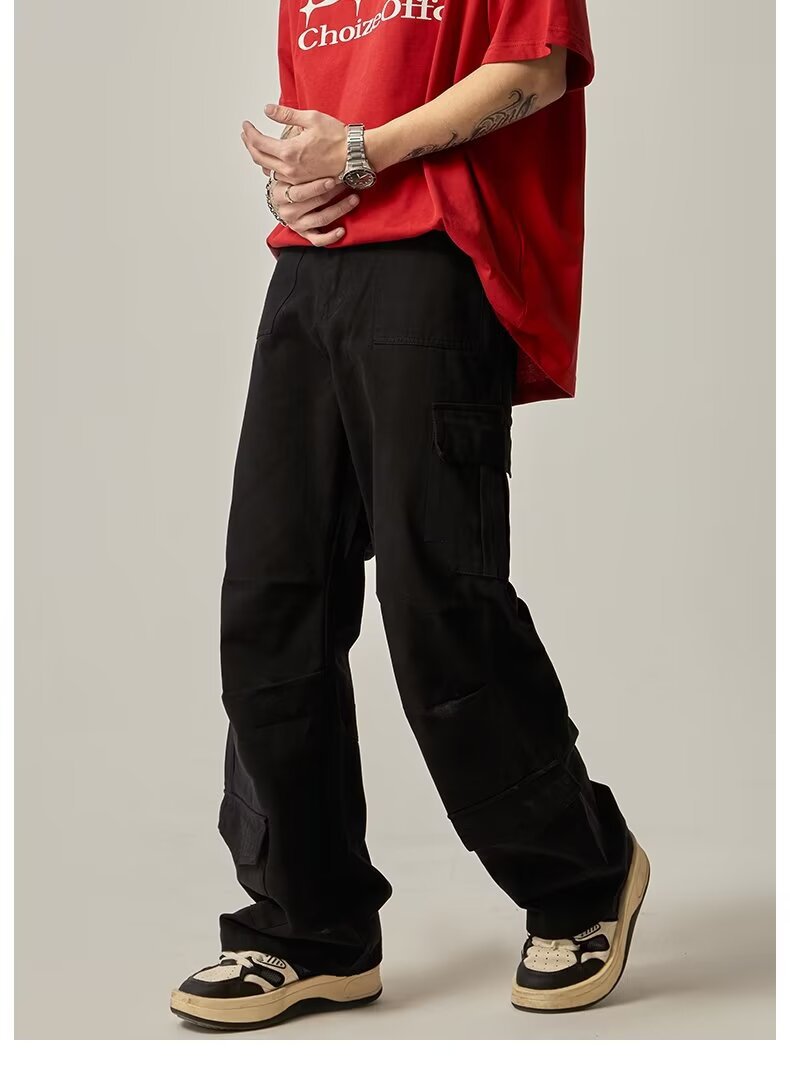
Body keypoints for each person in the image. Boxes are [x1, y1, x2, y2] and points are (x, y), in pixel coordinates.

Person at [170, 0, 649, 1031]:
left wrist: (360, 151)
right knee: (271, 603)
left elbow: (537, 71)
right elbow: (324, 117)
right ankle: (310, 928)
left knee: (438, 601)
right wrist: (296, 181)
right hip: (311, 274)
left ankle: (580, 875)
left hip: (435, 260)